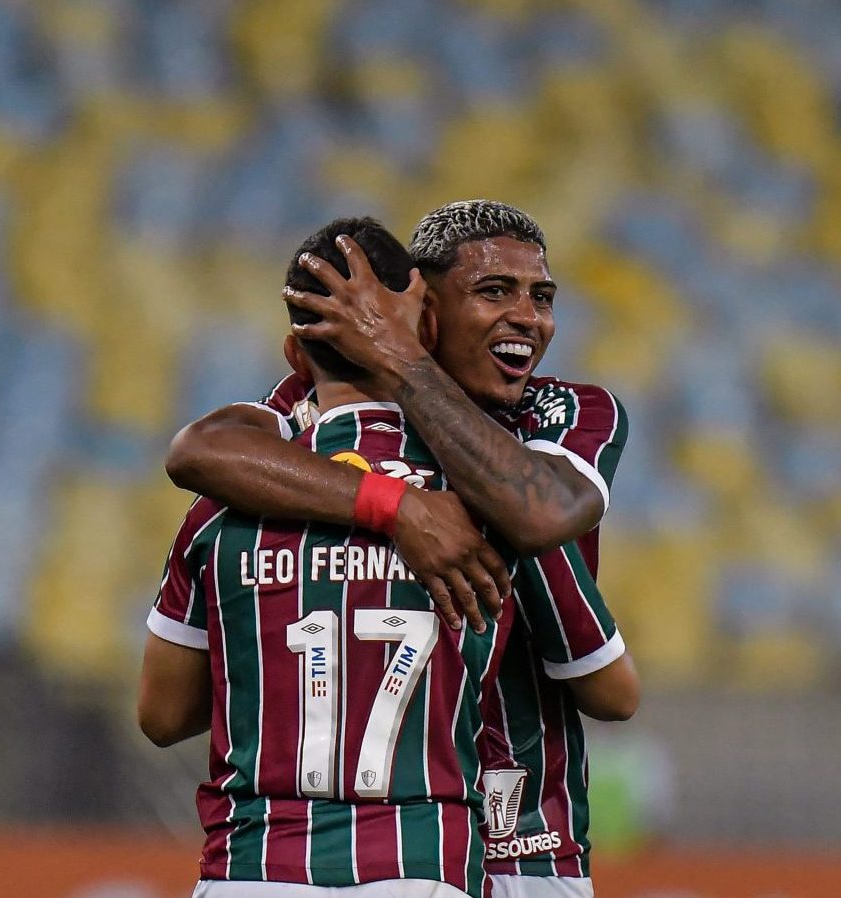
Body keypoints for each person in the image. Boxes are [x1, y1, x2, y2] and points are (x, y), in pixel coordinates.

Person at [164, 201, 637, 898]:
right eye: (495, 291)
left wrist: (406, 364)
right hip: (415, 846)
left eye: (542, 297)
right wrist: (399, 506)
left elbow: (543, 513)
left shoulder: (565, 413)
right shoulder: (322, 410)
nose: (527, 318)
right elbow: (199, 451)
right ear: (426, 311)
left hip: (524, 841)